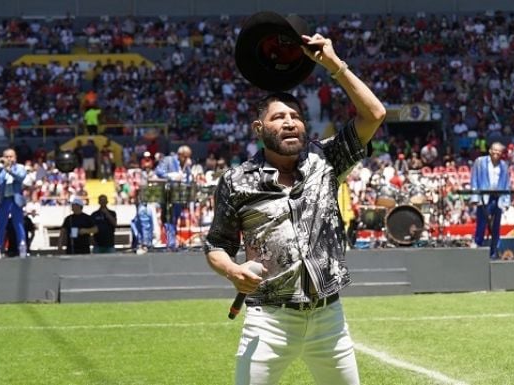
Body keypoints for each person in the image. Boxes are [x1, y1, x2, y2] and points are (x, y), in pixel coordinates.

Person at [204, 33, 386, 385]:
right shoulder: (236, 180)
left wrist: (333, 64)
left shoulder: (325, 160)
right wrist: (232, 270)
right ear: (259, 128)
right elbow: (217, 245)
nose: (289, 122)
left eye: (295, 116)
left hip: (328, 319)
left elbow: (374, 113)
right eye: (278, 117)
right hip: (269, 320)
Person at [470, 142, 511, 259]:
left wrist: (506, 201)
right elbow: (474, 180)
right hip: (484, 197)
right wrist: (475, 197)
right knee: (481, 223)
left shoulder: (504, 165)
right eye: (495, 150)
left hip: (498, 198)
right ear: (490, 150)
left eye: (499, 151)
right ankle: (478, 246)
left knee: (495, 226)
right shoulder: (480, 162)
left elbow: (507, 184)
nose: (496, 153)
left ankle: (494, 251)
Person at [155, 145, 193, 249]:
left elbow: (188, 179)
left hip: (179, 195)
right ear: (180, 154)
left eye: (188, 157)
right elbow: (158, 172)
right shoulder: (168, 160)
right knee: (168, 219)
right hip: (168, 194)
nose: (187, 159)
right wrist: (173, 176)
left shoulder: (186, 164)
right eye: (185, 157)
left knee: (175, 220)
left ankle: (172, 242)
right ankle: (171, 243)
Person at [0, 148, 28, 258]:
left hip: (15, 199)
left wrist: (10, 170)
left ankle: (22, 246)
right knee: (1, 225)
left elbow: (20, 177)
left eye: (11, 156)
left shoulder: (20, 168)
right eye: (6, 156)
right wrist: (1, 166)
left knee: (18, 224)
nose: (8, 159)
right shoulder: (0, 168)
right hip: (3, 199)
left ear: (15, 157)